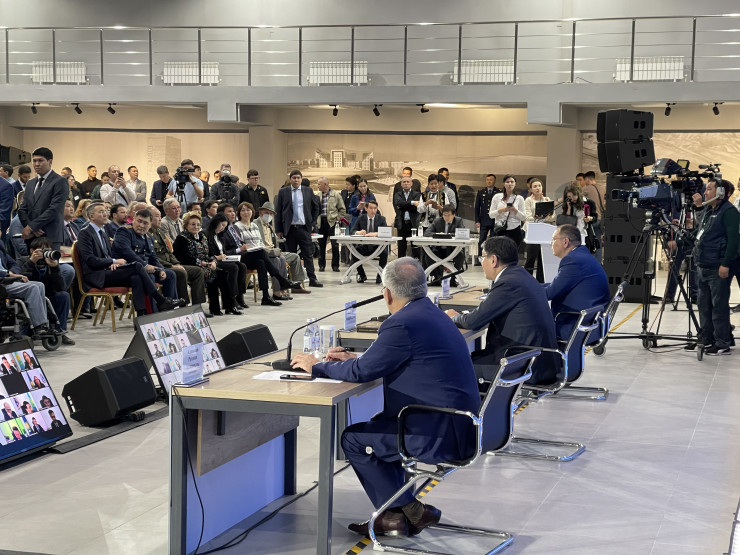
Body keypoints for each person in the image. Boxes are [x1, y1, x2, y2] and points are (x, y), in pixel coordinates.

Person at [290, 257, 479, 538]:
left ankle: (403, 512)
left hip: (437, 433)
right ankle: (396, 517)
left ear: (387, 293)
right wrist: (357, 358)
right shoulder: (433, 313)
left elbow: (362, 372)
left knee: (354, 439)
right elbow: (388, 360)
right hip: (461, 425)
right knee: (380, 427)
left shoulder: (401, 323)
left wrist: (316, 366)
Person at [445, 236, 559, 386]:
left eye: (482, 257)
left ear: (493, 260)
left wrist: (453, 317)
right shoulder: (523, 276)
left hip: (521, 366)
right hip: (537, 361)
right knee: (468, 359)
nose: (482, 262)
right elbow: (487, 312)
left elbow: (473, 322)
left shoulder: (507, 283)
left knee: (450, 368)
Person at [75, 202, 183, 317]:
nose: (106, 214)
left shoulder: (103, 232)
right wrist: (113, 261)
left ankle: (142, 315)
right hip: (95, 275)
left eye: (105, 211)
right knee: (137, 266)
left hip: (108, 270)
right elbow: (90, 260)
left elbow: (109, 255)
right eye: (101, 212)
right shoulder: (85, 233)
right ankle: (160, 300)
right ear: (91, 216)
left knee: (137, 278)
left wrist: (112, 262)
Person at [692, 178, 739, 355]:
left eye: (709, 189)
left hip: (717, 265)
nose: (705, 192)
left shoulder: (729, 212)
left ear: (720, 192)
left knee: (718, 306)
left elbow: (733, 241)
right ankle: (708, 338)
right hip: (703, 264)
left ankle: (722, 342)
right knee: (704, 305)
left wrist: (725, 264)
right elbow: (700, 232)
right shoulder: (708, 210)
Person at [544, 224, 610, 340]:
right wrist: (533, 286)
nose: (551, 244)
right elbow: (558, 286)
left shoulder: (572, 260)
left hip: (576, 325)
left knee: (531, 327)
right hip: (591, 321)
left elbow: (550, 293)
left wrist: (525, 291)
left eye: (554, 239)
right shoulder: (581, 255)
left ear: (565, 242)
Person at [224, 203, 297, 306]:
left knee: (261, 262)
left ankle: (266, 296)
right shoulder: (237, 226)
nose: (246, 212)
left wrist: (258, 248)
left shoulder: (254, 226)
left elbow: (261, 243)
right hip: (244, 256)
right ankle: (281, 279)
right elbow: (240, 244)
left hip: (256, 255)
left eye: (248, 210)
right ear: (239, 213)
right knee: (261, 253)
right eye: (243, 210)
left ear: (252, 212)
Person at [110, 209, 180, 304]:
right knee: (149, 277)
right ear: (133, 219)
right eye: (139, 221)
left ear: (150, 225)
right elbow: (128, 253)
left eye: (145, 223)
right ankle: (153, 310)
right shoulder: (124, 231)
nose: (141, 225)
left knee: (170, 275)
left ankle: (170, 305)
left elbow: (153, 257)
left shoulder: (149, 237)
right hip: (128, 270)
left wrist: (161, 269)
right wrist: (145, 266)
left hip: (145, 270)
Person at [18, 237, 76, 345]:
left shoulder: (49, 263)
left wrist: (54, 268)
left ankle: (59, 331)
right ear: (31, 250)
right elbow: (20, 279)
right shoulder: (23, 260)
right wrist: (31, 262)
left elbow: (60, 287)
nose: (44, 254)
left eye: (48, 250)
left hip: (47, 296)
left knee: (63, 295)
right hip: (29, 299)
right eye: (42, 250)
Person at [274, 170, 322, 287]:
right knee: (292, 255)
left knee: (308, 254)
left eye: (298, 178)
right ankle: (294, 281)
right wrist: (278, 229)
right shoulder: (283, 192)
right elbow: (278, 211)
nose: (296, 180)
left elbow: (316, 207)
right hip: (289, 229)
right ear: (290, 179)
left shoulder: (308, 191)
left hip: (304, 228)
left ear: (301, 179)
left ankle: (312, 278)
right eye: (294, 178)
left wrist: (312, 222)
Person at [149, 208, 207, 308]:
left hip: (171, 264)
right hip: (161, 266)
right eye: (157, 216)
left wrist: (177, 263)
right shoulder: (148, 234)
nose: (160, 219)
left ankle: (197, 306)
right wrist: (171, 265)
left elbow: (169, 252)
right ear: (149, 218)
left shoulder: (159, 232)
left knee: (198, 271)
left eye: (160, 216)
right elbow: (153, 256)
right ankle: (183, 305)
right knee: (181, 273)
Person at [17, 147, 69, 254]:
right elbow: (22, 209)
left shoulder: (60, 181)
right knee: (32, 264)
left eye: (40, 160)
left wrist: (31, 227)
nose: (36, 164)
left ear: (50, 161)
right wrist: (31, 227)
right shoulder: (30, 183)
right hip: (32, 237)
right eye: (34, 161)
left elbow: (54, 209)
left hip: (50, 235)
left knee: (50, 264)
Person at [255, 202, 310, 297]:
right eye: (266, 213)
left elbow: (273, 241)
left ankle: (295, 285)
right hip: (264, 253)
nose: (269, 215)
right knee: (279, 259)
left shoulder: (269, 226)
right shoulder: (255, 224)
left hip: (274, 251)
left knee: (295, 257)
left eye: (271, 214)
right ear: (260, 213)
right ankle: (278, 290)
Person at [0, 241, 55, 337]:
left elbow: (14, 264)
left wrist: (12, 272)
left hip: (8, 280)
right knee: (32, 288)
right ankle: (38, 326)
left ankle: (44, 324)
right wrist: (7, 274)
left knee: (40, 285)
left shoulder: (1, 246)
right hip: (2, 282)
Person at [205, 213, 247, 314]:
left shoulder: (220, 235)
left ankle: (238, 296)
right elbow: (205, 253)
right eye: (222, 225)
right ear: (216, 222)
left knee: (242, 266)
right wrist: (216, 257)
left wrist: (225, 256)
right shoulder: (206, 234)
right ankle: (232, 301)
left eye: (225, 226)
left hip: (222, 260)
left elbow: (223, 251)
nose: (223, 228)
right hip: (212, 261)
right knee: (233, 268)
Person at [422, 204, 466, 284]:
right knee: (428, 256)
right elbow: (427, 233)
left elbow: (461, 233)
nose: (446, 217)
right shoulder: (437, 221)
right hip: (439, 249)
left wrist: (447, 235)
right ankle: (437, 278)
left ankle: (453, 278)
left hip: (453, 249)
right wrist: (438, 234)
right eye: (444, 215)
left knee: (460, 255)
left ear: (453, 215)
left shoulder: (458, 221)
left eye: (448, 215)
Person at [350, 199, 388, 284]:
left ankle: (379, 276)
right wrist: (358, 232)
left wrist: (376, 234)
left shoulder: (381, 219)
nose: (373, 210)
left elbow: (386, 232)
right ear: (366, 208)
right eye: (371, 208)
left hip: (377, 246)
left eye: (375, 208)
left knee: (384, 252)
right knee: (354, 251)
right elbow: (352, 231)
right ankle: (361, 275)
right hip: (364, 246)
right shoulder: (361, 218)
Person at [523, 178, 554, 282]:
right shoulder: (528, 200)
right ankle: (527, 281)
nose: (538, 188)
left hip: (544, 231)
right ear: (531, 189)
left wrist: (542, 218)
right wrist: (538, 217)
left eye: (539, 186)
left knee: (542, 258)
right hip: (533, 232)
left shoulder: (547, 200)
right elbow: (527, 217)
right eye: (535, 186)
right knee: (531, 257)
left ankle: (540, 281)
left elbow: (553, 217)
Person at [314, 177, 347, 272]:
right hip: (321, 223)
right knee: (321, 245)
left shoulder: (335, 195)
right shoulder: (318, 196)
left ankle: (335, 265)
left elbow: (342, 210)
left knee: (335, 245)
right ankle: (321, 265)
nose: (318, 186)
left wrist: (337, 219)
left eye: (319, 184)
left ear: (325, 184)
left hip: (332, 223)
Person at [489, 174, 526, 246]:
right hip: (500, 229)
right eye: (507, 182)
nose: (510, 184)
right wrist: (502, 210)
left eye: (512, 182)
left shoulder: (519, 198)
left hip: (515, 229)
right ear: (504, 183)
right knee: (499, 251)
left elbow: (523, 217)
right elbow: (491, 215)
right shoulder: (497, 197)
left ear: (515, 184)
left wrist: (514, 210)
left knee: (514, 251)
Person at [393, 175, 423, 258]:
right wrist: (412, 203)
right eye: (404, 182)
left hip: (413, 223)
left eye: (408, 182)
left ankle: (415, 263)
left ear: (411, 183)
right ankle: (400, 264)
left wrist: (403, 206)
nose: (406, 183)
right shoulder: (398, 194)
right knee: (401, 247)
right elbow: (398, 203)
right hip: (402, 223)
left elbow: (415, 209)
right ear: (401, 184)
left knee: (415, 247)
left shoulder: (417, 194)